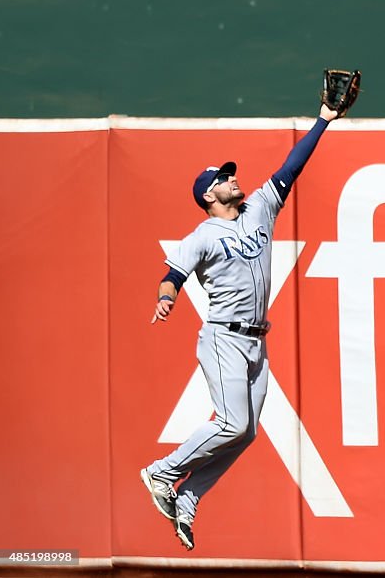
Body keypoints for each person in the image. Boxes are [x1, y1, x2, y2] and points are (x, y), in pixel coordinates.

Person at [140, 101, 344, 551]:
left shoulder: (259, 211)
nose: (233, 178)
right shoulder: (202, 235)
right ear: (209, 196)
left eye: (230, 174)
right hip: (223, 336)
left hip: (256, 342)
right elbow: (173, 274)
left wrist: (324, 119)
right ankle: (163, 470)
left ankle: (188, 495)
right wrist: (165, 299)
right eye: (223, 178)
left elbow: (293, 166)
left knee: (246, 431)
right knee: (232, 422)